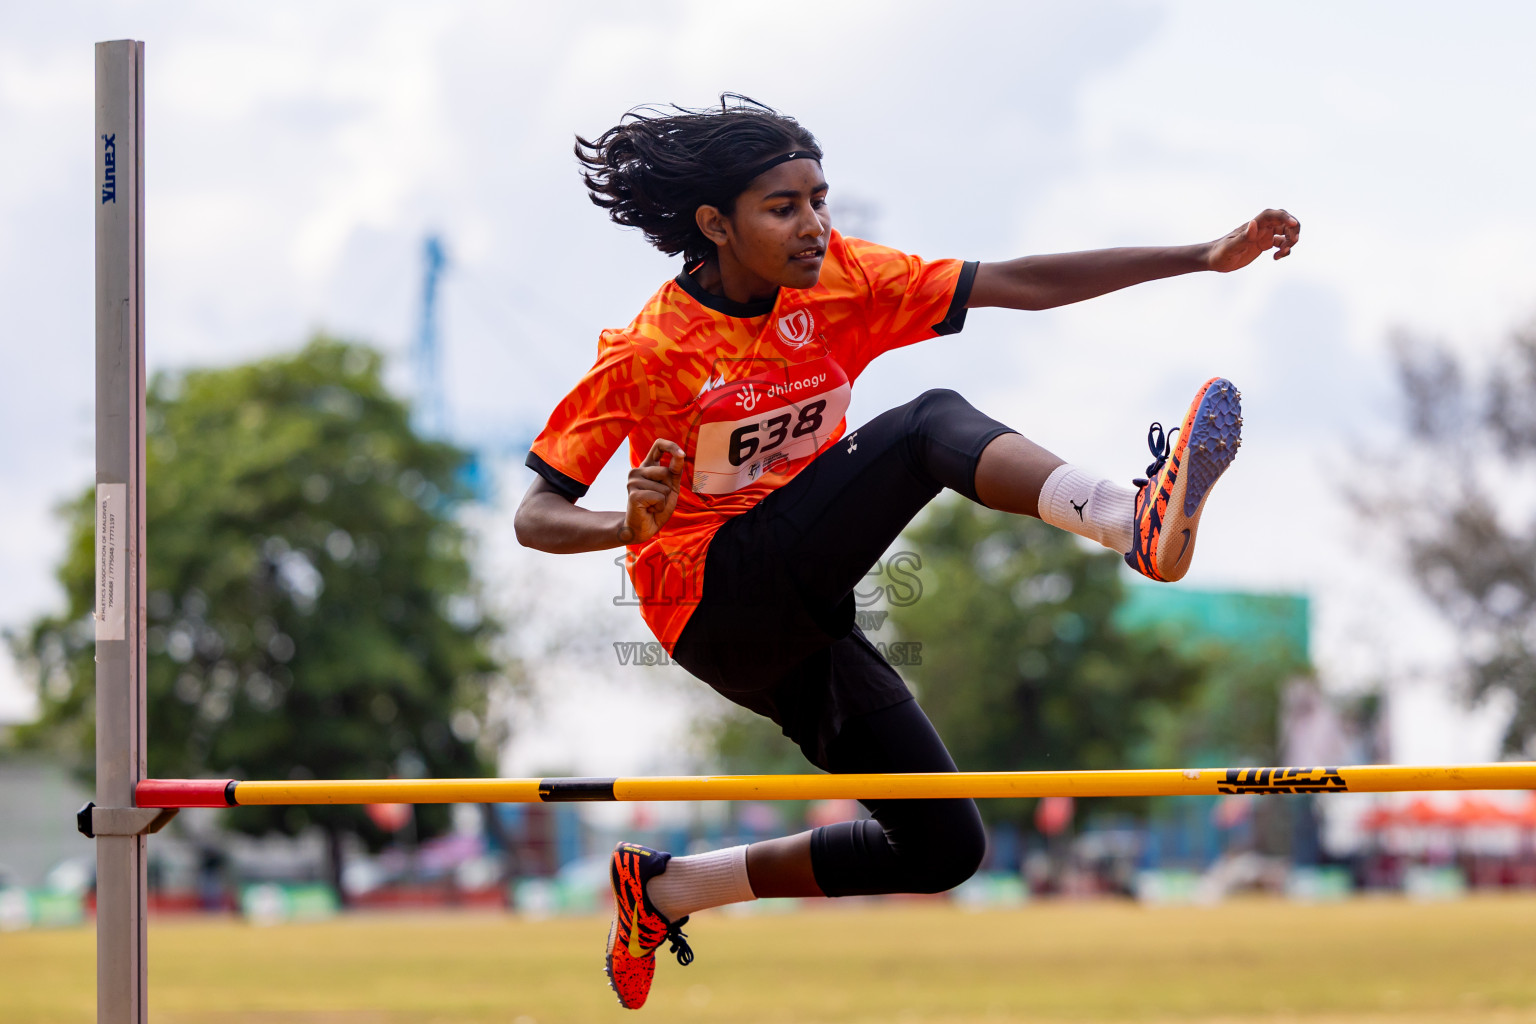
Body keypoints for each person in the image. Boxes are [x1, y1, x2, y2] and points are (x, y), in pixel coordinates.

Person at [515, 95, 1299, 1009]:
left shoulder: (846, 280)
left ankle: (665, 889)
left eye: (820, 199)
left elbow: (1017, 281)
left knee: (941, 846)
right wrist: (624, 526)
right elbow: (535, 516)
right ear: (714, 224)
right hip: (710, 594)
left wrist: (1201, 256)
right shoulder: (652, 351)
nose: (814, 225)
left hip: (798, 615)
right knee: (927, 425)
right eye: (784, 207)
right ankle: (1130, 520)